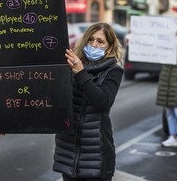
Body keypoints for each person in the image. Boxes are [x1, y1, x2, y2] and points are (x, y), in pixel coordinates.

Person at [53, 22, 124, 181]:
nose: (94, 44)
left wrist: (81, 73)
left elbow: (102, 102)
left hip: (96, 156)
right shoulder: (70, 65)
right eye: (90, 39)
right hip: (69, 152)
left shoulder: (114, 71)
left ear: (110, 47)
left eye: (100, 41)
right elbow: (50, 102)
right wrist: (9, 123)